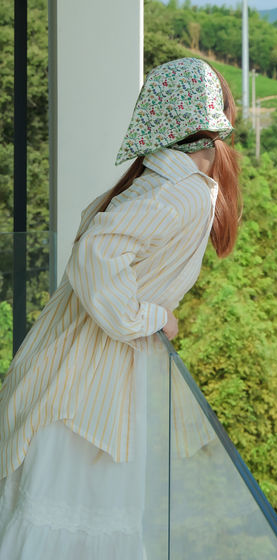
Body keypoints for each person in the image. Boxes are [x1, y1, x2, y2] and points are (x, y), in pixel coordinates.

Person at [0, 57, 240, 559]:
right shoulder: (186, 192)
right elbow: (98, 254)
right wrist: (155, 318)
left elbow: (100, 251)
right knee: (79, 518)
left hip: (67, 368)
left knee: (50, 512)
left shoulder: (154, 182)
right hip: (93, 380)